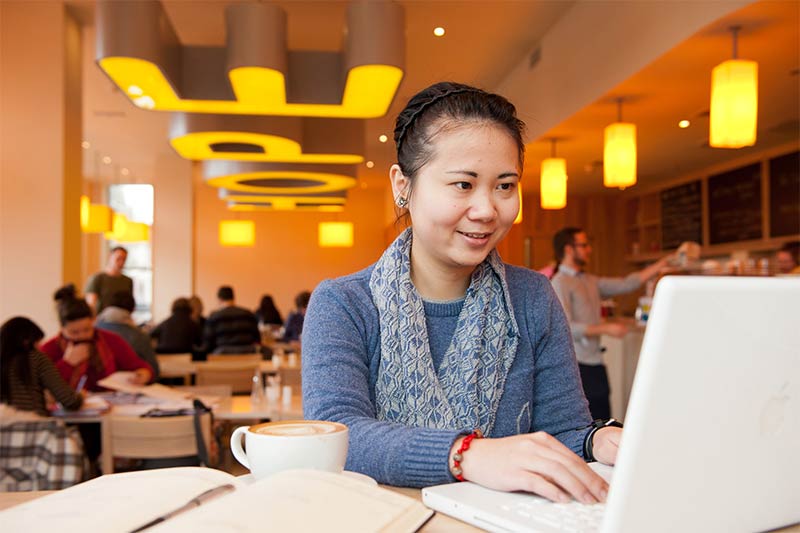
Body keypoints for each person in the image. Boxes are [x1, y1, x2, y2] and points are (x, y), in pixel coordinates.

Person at [302, 82, 618, 504]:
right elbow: (337, 434)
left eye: (505, 186)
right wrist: (466, 454)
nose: (487, 210)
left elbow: (564, 430)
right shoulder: (343, 303)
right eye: (463, 185)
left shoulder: (532, 297)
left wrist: (598, 440)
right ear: (402, 184)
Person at [550, 227, 673, 419]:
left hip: (596, 361)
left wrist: (662, 264)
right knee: (587, 425)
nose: (589, 249)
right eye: (583, 245)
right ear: (568, 249)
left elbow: (627, 283)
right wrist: (605, 328)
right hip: (577, 364)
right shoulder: (559, 282)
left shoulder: (590, 280)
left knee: (605, 421)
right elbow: (565, 326)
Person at [41, 287, 153, 391]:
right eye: (74, 332)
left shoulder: (110, 340)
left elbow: (139, 366)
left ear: (93, 320)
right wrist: (67, 363)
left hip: (110, 404)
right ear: (62, 328)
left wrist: (143, 374)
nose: (82, 335)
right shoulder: (50, 348)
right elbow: (41, 384)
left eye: (87, 330)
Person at [1, 317, 83, 417]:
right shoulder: (36, 358)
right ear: (26, 342)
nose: (40, 347)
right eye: (38, 342)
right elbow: (69, 401)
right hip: (33, 427)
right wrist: (80, 396)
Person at [95, 291, 159, 379]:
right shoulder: (139, 336)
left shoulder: (93, 331)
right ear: (133, 310)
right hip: (130, 385)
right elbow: (154, 370)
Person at [203, 286, 260, 354]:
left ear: (219, 299)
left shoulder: (214, 317)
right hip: (248, 357)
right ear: (233, 298)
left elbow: (208, 344)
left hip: (221, 358)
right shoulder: (248, 315)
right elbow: (257, 339)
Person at [84, 246, 133, 314]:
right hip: (102, 320)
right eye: (118, 258)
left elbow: (129, 305)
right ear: (110, 256)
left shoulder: (128, 281)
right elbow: (91, 304)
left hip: (121, 320)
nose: (121, 262)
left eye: (124, 259)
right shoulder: (97, 279)